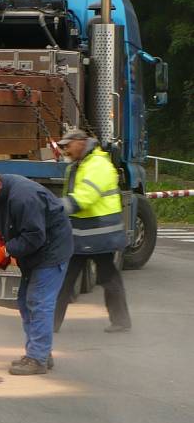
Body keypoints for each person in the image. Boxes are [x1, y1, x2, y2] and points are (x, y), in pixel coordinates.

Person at [0, 170, 73, 375]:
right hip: (36, 252)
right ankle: (40, 352)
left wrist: (6, 250)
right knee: (25, 301)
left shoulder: (23, 198)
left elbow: (35, 235)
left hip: (50, 251)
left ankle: (37, 358)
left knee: (39, 301)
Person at [54, 129, 131, 333]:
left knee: (73, 278)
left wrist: (55, 208)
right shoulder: (80, 165)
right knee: (96, 277)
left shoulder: (97, 165)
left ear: (80, 142)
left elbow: (85, 198)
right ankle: (121, 321)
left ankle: (51, 323)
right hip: (87, 234)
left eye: (67, 145)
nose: (65, 150)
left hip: (98, 232)